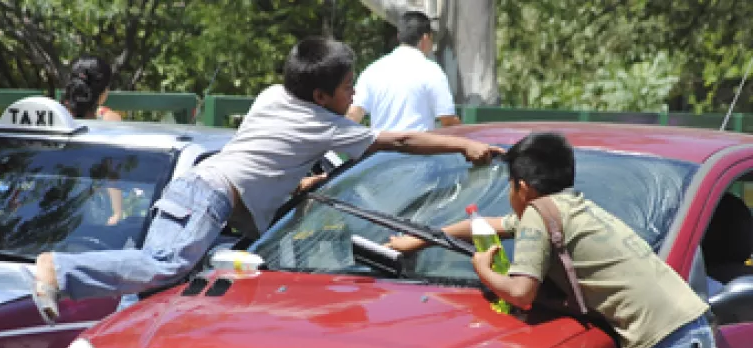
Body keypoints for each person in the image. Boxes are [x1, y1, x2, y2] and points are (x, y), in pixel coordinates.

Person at [27, 36, 504, 323]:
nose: (354, 92)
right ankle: (61, 270)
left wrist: (298, 187)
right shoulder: (325, 124)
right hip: (209, 196)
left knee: (148, 287)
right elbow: (398, 141)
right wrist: (462, 144)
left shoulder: (273, 94)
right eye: (346, 87)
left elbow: (264, 158)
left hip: (196, 188)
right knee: (166, 265)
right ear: (320, 94)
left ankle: (115, 335)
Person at [387, 132, 715, 348]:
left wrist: (484, 271)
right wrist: (418, 239)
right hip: (693, 331)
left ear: (522, 187)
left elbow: (522, 292)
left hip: (656, 344)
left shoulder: (537, 217)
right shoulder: (572, 208)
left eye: (509, 187)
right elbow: (485, 226)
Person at [345, 11, 461, 131]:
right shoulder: (432, 71)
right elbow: (448, 120)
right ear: (425, 38)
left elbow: (353, 115)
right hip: (417, 148)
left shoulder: (373, 70)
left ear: (399, 36)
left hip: (380, 148)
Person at [63, 55, 124, 225]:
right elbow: (113, 172)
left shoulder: (54, 115)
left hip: (56, 208)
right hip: (94, 215)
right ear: (103, 93)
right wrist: (117, 213)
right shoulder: (109, 120)